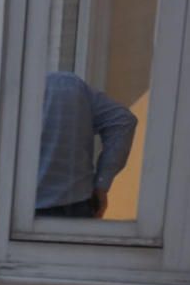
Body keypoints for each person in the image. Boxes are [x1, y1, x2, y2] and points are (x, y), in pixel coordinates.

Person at [37, 71, 137, 218]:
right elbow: (123, 121)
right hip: (75, 207)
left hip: (15, 209)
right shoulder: (67, 85)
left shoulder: (11, 88)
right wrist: (101, 184)